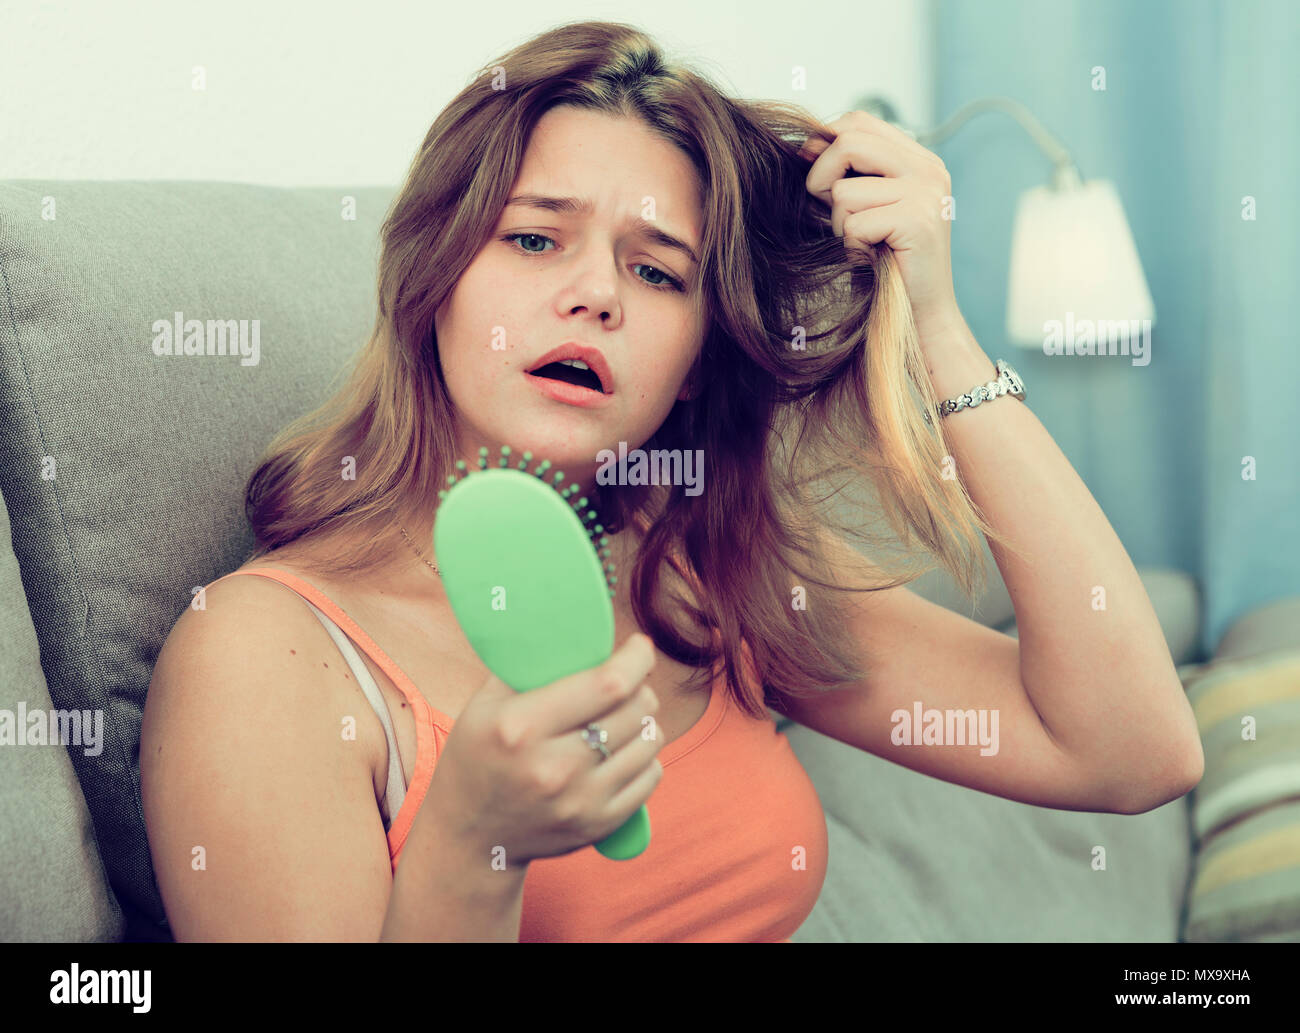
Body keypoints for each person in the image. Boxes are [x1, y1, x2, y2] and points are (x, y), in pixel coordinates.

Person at [140, 20, 1202, 943]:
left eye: (657, 270)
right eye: (533, 237)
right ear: (434, 281)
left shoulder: (703, 571)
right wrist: (474, 844)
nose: (595, 291)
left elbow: (1125, 750)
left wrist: (938, 326)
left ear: (696, 363)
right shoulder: (263, 655)